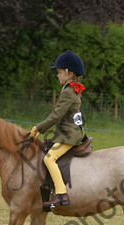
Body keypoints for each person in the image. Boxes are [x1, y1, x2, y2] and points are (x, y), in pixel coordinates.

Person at [31, 50, 86, 208]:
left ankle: (61, 194)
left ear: (69, 73)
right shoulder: (71, 89)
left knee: (49, 158)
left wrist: (39, 128)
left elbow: (56, 115)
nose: (57, 75)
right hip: (72, 132)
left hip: (69, 135)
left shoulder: (69, 92)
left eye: (60, 72)